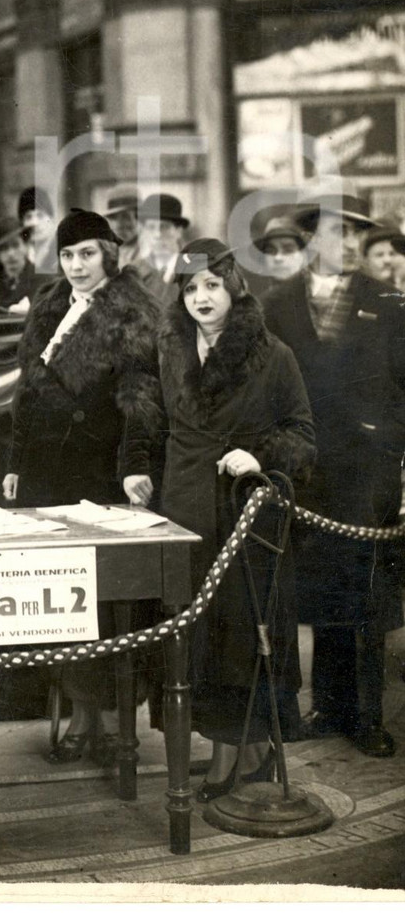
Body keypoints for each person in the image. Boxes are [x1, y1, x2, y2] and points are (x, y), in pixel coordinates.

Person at [123, 238, 315, 800]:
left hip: (243, 516)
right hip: (183, 512)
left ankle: (239, 753)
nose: (201, 297)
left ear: (233, 286)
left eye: (211, 285)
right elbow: (146, 423)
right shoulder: (166, 351)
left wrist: (261, 456)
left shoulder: (273, 354)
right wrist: (135, 469)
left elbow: (303, 436)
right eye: (189, 288)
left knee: (238, 637)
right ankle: (236, 749)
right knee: (196, 640)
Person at [4, 209, 162, 762]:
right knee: (65, 602)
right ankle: (80, 712)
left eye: (87, 254)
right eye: (68, 255)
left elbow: (143, 400)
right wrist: (16, 463)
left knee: (113, 604)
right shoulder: (50, 306)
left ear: (109, 256)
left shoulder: (133, 311)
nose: (76, 265)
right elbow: (28, 393)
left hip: (104, 473)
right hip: (51, 476)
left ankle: (120, 722)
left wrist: (136, 466)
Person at [262, 195, 405, 758]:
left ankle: (366, 715)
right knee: (320, 592)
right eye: (334, 232)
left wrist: (390, 438)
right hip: (308, 472)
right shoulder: (277, 304)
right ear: (309, 239)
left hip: (368, 470)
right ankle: (327, 705)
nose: (344, 243)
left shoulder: (388, 302)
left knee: (366, 593)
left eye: (353, 233)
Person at [0, 215, 50, 311]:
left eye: (15, 245)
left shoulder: (44, 282)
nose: (10, 254)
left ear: (26, 245)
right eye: (4, 248)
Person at [135, 192, 190, 306]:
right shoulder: (133, 272)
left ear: (178, 231)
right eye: (151, 227)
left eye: (164, 226)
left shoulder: (194, 269)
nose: (157, 234)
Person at [243, 209, 307, 299]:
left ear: (304, 256)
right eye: (271, 251)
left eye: (288, 250)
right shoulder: (261, 303)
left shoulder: (318, 302)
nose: (278, 258)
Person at [17, 186, 57, 274]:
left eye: (40, 216)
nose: (34, 223)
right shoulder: (20, 255)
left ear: (52, 219)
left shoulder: (62, 252)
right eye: (28, 217)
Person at [105, 186, 141, 268]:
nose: (119, 224)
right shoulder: (107, 249)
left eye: (126, 217)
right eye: (113, 217)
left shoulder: (148, 249)